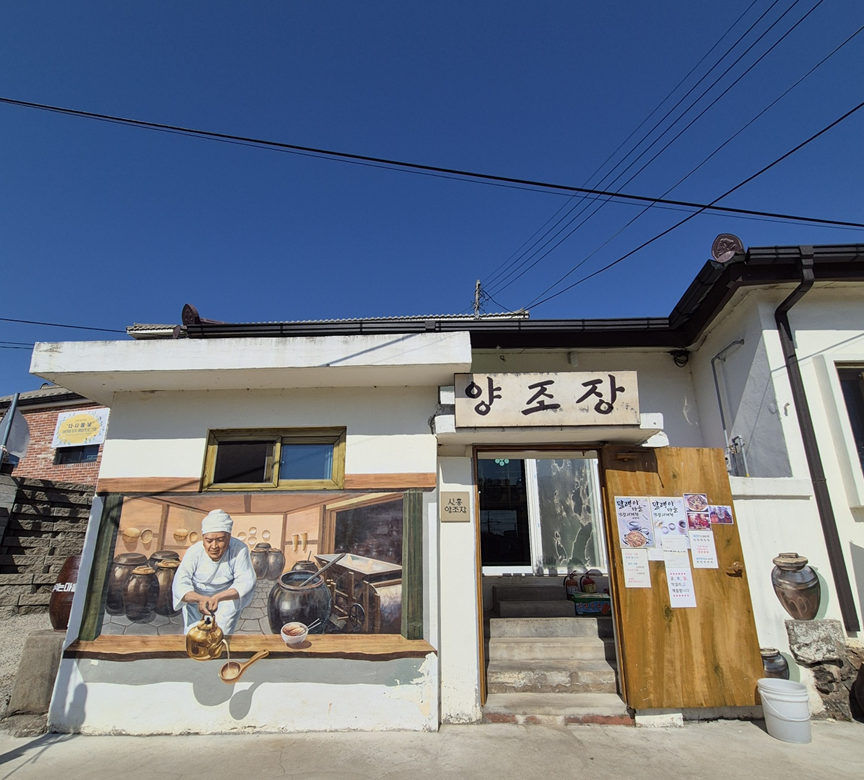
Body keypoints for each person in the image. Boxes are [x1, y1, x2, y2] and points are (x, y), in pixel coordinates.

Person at [172, 509, 257, 635]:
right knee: (194, 635)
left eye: (220, 539)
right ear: (203, 538)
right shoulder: (194, 551)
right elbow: (180, 583)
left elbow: (245, 580)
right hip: (196, 599)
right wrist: (200, 599)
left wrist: (218, 597)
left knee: (220, 634)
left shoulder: (239, 549)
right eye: (209, 540)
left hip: (225, 599)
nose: (214, 546)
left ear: (228, 537)